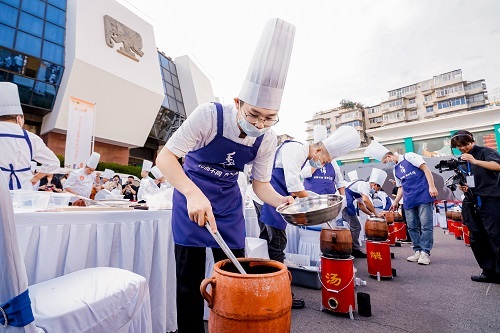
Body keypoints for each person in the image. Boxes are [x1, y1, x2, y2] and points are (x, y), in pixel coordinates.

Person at [155, 18, 296, 333]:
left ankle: (235, 325)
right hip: (190, 197)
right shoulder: (209, 115)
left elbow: (260, 186)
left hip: (229, 204)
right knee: (189, 279)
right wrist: (191, 193)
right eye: (254, 115)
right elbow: (165, 157)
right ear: (237, 103)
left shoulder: (267, 138)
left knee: (235, 274)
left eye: (269, 118)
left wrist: (283, 201)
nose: (260, 124)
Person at [367, 140, 438, 265]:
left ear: (388, 156)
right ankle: (417, 250)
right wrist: (396, 202)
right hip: (408, 199)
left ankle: (425, 253)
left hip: (423, 194)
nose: (386, 163)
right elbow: (401, 187)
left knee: (425, 225)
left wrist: (431, 187)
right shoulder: (395, 170)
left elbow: (426, 169)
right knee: (411, 226)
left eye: (385, 161)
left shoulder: (409, 156)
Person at [452, 130, 500, 283]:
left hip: (490, 199)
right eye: (458, 146)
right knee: (477, 237)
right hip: (471, 200)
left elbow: (497, 166)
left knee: (495, 236)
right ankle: (489, 272)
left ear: (471, 141)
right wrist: (464, 187)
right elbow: (469, 179)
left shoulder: (485, 152)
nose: (462, 148)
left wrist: (475, 161)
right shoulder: (461, 160)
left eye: (464, 144)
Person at [0, 82, 60, 190]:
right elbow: (54, 163)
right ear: (19, 118)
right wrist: (36, 178)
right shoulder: (32, 138)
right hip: (22, 193)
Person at [301, 125, 347, 197]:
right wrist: (316, 164)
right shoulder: (308, 159)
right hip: (311, 198)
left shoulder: (333, 162)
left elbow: (339, 181)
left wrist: (343, 198)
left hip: (330, 199)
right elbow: (303, 174)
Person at [342, 178, 377, 258]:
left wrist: (371, 214)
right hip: (346, 203)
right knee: (356, 226)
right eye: (377, 188)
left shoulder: (361, 189)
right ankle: (354, 250)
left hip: (348, 203)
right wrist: (375, 213)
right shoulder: (364, 185)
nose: (376, 191)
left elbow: (361, 206)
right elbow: (365, 200)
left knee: (355, 226)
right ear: (374, 185)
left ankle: (352, 248)